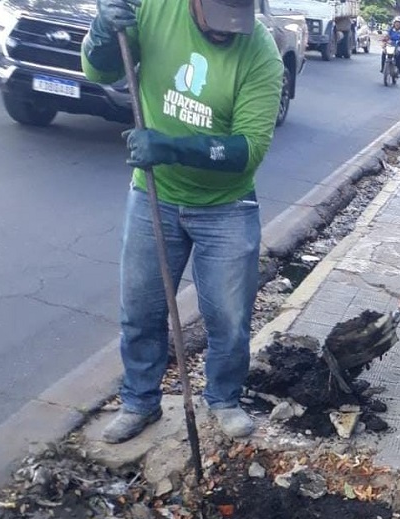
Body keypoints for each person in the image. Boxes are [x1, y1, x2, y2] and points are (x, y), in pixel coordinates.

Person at [81, 0, 283, 443]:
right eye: (218, 20)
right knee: (141, 310)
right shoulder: (154, 9)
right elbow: (100, 71)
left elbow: (247, 150)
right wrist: (102, 32)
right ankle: (140, 401)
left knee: (229, 317)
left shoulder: (261, 52)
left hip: (227, 205)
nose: (226, 31)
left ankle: (223, 398)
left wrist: (171, 148)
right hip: (155, 194)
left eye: (237, 21)